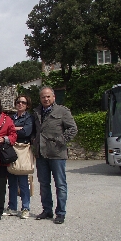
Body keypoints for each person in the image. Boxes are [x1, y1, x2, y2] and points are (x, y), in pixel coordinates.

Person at [33, 86, 77, 224]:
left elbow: (73, 129)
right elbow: (35, 130)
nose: (45, 99)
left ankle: (61, 213)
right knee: (44, 184)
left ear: (53, 97)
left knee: (60, 184)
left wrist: (60, 141)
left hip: (57, 153)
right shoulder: (36, 112)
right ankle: (47, 210)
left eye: (48, 96)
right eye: (43, 97)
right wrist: (34, 141)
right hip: (41, 154)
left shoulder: (62, 111)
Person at [4, 95, 34, 219]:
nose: (20, 104)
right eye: (18, 102)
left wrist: (13, 129)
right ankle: (12, 207)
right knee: (11, 181)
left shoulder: (29, 118)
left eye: (23, 102)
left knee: (23, 181)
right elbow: (6, 130)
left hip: (23, 149)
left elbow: (26, 132)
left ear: (27, 105)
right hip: (12, 149)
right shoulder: (11, 117)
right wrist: (16, 129)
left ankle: (25, 208)